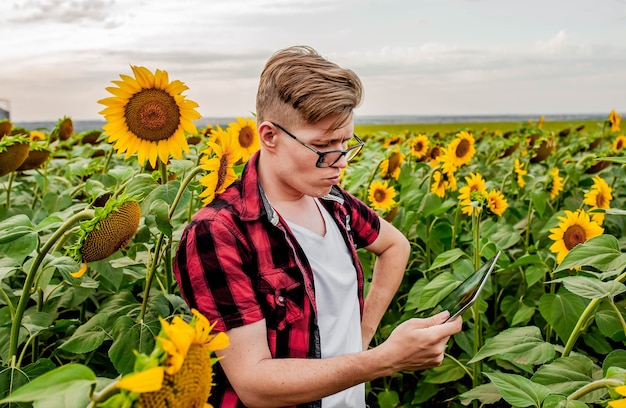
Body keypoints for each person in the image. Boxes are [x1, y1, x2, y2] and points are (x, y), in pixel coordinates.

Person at [173, 45, 463, 408]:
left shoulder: (332, 201)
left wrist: (363, 335)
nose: (340, 162)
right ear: (269, 136)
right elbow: (253, 383)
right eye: (323, 146)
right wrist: (383, 360)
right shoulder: (219, 233)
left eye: (346, 143)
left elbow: (395, 246)